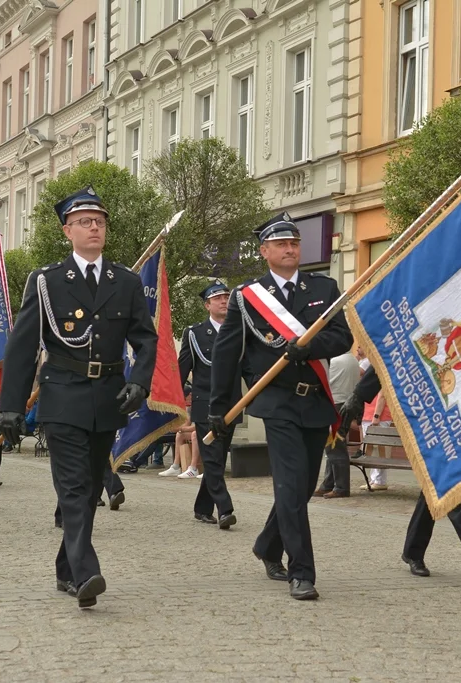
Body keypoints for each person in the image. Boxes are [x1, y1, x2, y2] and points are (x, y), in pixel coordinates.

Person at [0, 186, 156, 609]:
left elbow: (145, 338)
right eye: (84, 222)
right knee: (72, 486)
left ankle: (66, 568)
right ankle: (86, 571)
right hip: (63, 395)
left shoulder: (125, 281)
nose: (94, 228)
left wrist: (140, 381)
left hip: (108, 397)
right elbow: (23, 345)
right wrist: (11, 406)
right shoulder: (47, 282)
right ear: (67, 230)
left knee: (88, 492)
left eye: (100, 222)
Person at [208, 213, 352, 601]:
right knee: (289, 485)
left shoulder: (323, 287)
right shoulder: (247, 296)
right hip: (276, 402)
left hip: (316, 400)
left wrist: (310, 347)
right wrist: (221, 409)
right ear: (265, 251)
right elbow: (227, 355)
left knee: (302, 487)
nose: (290, 249)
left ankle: (268, 546)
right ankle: (301, 572)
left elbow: (342, 337)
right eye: (281, 245)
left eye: (294, 244)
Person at [340, 366, 461, 588]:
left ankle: (413, 551)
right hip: (421, 417)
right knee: (450, 482)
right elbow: (385, 355)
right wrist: (360, 395)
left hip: (449, 414)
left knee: (434, 487)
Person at [180, 279, 239, 528]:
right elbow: (182, 368)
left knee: (217, 457)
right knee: (213, 458)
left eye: (226, 296)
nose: (224, 301)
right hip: (205, 406)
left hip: (233, 405)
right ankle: (225, 509)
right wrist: (174, 403)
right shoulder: (194, 333)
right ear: (207, 305)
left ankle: (202, 507)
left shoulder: (238, 330)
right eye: (218, 298)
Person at [314, 349, 361, 499]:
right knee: (334, 446)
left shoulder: (334, 361)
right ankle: (328, 484)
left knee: (334, 447)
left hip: (336, 403)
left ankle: (341, 487)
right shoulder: (352, 359)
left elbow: (324, 382)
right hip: (348, 404)